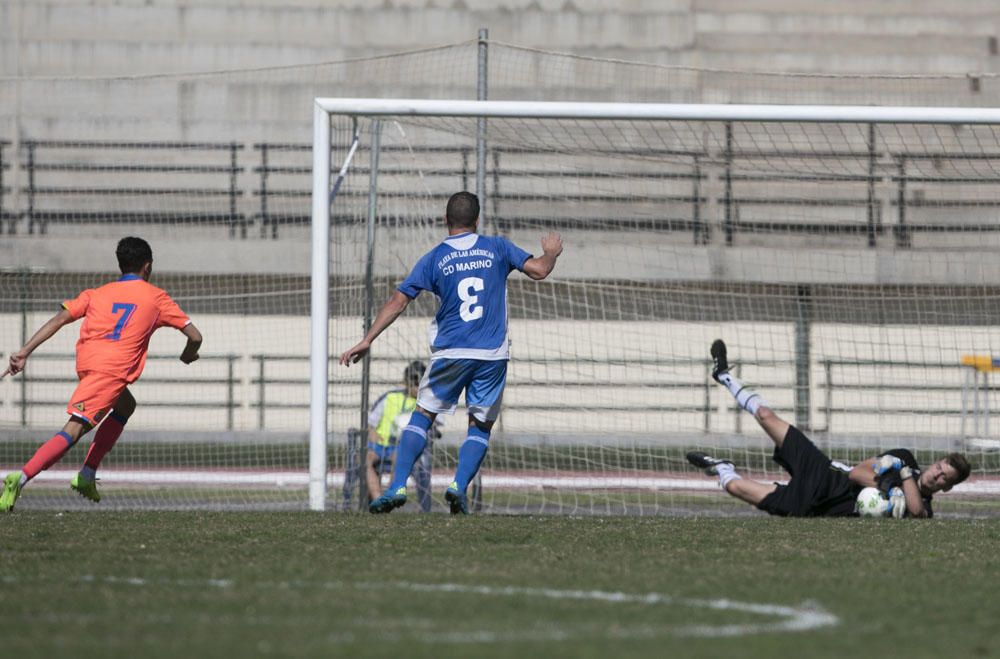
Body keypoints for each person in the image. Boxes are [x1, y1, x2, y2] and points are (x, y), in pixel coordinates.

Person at [340, 191, 563, 514]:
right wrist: (551, 253)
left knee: (424, 416)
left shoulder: (434, 257)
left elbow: (398, 301)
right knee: (480, 425)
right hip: (492, 354)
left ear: (446, 221)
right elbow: (540, 270)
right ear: (477, 221)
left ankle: (398, 484)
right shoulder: (498, 247)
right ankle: (458, 486)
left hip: (450, 351)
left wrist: (368, 339)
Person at [0, 237, 202, 511]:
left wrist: (24, 351)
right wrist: (188, 354)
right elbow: (195, 336)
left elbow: (60, 318)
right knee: (73, 430)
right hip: (110, 372)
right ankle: (21, 477)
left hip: (88, 364)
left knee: (126, 405)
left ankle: (86, 474)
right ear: (148, 267)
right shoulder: (156, 298)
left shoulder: (97, 292)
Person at [687, 339, 971, 518]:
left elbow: (916, 509)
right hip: (824, 473)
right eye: (940, 466)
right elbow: (858, 473)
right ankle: (724, 375)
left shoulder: (925, 511)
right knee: (765, 414)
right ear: (935, 463)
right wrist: (891, 481)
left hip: (812, 506)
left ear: (946, 488)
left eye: (945, 477)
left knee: (736, 486)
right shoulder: (905, 459)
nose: (938, 474)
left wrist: (901, 484)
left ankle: (722, 467)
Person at [365, 360, 439, 513]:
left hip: (400, 447)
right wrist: (373, 434)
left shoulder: (425, 405)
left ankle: (390, 497)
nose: (417, 387)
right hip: (380, 445)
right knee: (368, 459)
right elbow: (370, 424)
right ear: (406, 382)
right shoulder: (390, 398)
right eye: (414, 383)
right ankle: (378, 499)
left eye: (420, 384)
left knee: (399, 457)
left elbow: (434, 427)